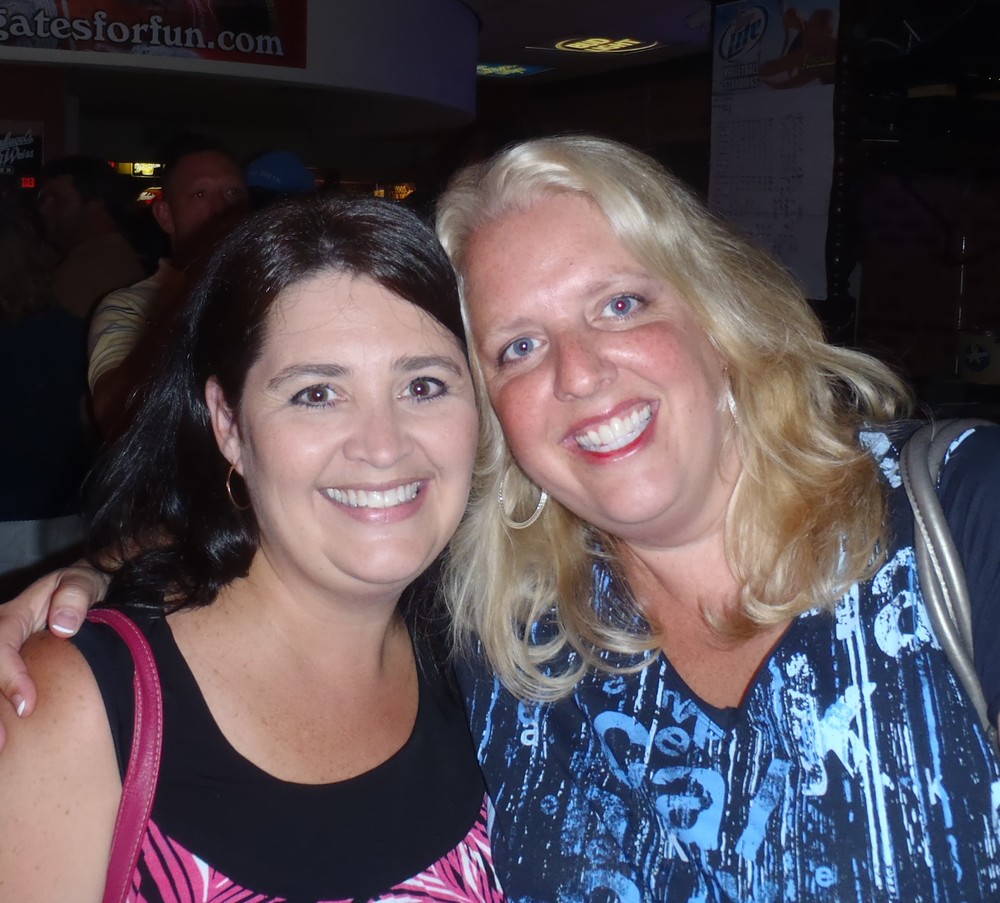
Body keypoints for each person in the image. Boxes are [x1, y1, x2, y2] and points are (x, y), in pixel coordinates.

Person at [3, 135, 999, 901]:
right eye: (518, 346)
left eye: (619, 305)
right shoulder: (512, 628)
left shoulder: (957, 524)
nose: (580, 372)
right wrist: (92, 600)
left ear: (715, 309)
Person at [0, 193, 502, 900]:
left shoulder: (491, 664)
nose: (384, 446)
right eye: (317, 394)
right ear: (228, 425)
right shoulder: (76, 702)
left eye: (424, 385)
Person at [87, 134, 250, 438]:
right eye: (200, 194)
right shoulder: (129, 306)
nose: (222, 208)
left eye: (233, 192)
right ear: (165, 216)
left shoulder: (268, 291)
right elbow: (112, 411)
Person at [36, 154, 147, 318]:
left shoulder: (84, 273)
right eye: (44, 199)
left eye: (56, 198)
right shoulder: (119, 255)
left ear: (96, 205)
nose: (43, 209)